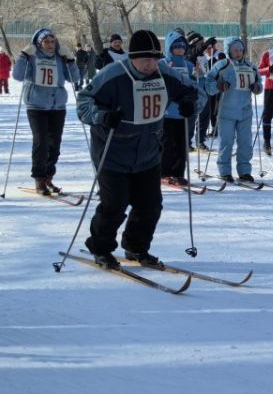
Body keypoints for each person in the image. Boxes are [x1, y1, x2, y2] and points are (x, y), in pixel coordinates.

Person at [76, 30, 196, 269]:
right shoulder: (113, 76)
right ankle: (100, 248)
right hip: (112, 152)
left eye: (155, 58)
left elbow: (192, 91)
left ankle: (136, 247)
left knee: (150, 205)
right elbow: (83, 102)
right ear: (133, 57)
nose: (151, 64)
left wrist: (189, 103)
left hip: (148, 153)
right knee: (115, 204)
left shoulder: (165, 74)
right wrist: (103, 116)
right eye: (145, 59)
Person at [13, 28, 79, 194]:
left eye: (53, 41)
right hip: (36, 106)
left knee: (54, 144)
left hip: (57, 106)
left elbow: (74, 78)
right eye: (46, 42)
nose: (50, 45)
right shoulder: (32, 58)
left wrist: (71, 60)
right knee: (41, 143)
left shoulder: (59, 58)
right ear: (39, 43)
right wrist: (23, 56)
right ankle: (39, 178)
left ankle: (49, 177)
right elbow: (18, 76)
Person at [204, 37, 262, 182]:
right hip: (226, 112)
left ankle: (244, 171)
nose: (238, 53)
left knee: (245, 143)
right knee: (226, 142)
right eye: (235, 50)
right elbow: (208, 82)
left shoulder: (251, 66)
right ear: (229, 50)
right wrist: (218, 86)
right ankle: (225, 171)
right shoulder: (222, 66)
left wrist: (256, 88)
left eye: (240, 50)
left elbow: (259, 83)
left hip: (245, 112)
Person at [160, 29, 202, 185]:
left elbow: (195, 85)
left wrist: (199, 75)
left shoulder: (189, 64)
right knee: (167, 144)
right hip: (167, 111)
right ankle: (164, 172)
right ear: (169, 48)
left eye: (182, 46)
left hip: (183, 111)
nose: (180, 49)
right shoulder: (163, 64)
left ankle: (178, 173)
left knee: (182, 143)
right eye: (176, 46)